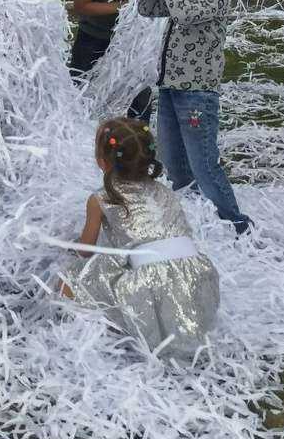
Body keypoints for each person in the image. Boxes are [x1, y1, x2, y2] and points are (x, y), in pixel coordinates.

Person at [60, 118, 220, 363]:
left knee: (69, 280)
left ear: (102, 162)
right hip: (198, 277)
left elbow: (85, 250)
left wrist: (66, 249)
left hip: (149, 285)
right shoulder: (164, 191)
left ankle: (110, 328)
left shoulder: (100, 199)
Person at [139, 0, 252, 235]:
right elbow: (147, 9)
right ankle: (193, 215)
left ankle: (235, 222)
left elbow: (185, 15)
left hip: (197, 94)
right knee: (174, 161)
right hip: (171, 88)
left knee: (203, 162)